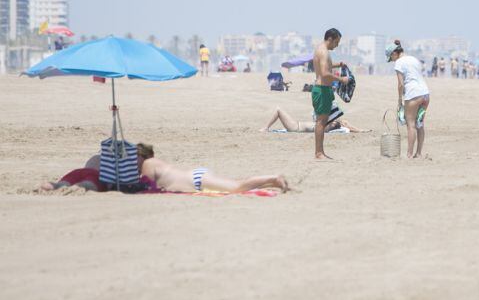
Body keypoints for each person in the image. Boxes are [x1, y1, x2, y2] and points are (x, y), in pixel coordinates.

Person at [138, 143, 288, 192]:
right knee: (236, 185)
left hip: (195, 180)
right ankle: (272, 183)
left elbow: (147, 187)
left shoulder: (147, 164)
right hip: (195, 177)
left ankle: (273, 177)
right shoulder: (154, 163)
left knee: (237, 187)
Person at [388, 40, 431, 159]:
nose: (392, 60)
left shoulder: (399, 63)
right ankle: (419, 153)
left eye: (391, 58)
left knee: (411, 125)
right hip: (425, 93)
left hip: (413, 94)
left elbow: (401, 84)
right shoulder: (414, 59)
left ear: (394, 53)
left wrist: (399, 99)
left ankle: (409, 154)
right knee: (420, 124)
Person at [312, 27, 346, 160]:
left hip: (321, 89)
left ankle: (320, 152)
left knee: (322, 121)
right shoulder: (324, 52)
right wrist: (341, 79)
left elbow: (323, 67)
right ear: (330, 39)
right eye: (336, 42)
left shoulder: (319, 49)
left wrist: (337, 65)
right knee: (321, 122)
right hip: (322, 90)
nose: (336, 45)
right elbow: (325, 74)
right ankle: (318, 153)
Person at [261, 106, 362, 133]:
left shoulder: (324, 127)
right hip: (296, 125)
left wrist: (355, 130)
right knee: (278, 110)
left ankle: (266, 128)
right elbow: (345, 124)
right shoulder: (325, 125)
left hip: (295, 127)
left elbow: (345, 124)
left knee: (278, 110)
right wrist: (358, 130)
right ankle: (360, 130)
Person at [37, 154, 104, 192]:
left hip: (79, 171)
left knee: (64, 183)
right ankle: (79, 186)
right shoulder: (111, 162)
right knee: (87, 184)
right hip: (97, 174)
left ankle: (53, 185)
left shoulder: (99, 155)